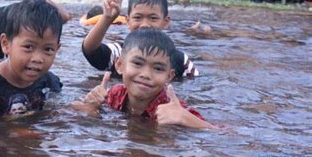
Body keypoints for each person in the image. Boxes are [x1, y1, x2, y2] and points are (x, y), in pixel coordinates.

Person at [74, 28, 214, 129]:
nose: (146, 74)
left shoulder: (174, 109)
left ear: (169, 77)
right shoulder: (114, 95)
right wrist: (89, 105)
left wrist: (184, 118)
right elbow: (70, 111)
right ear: (120, 65)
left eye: (158, 68)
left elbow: (222, 132)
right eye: (138, 63)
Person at [0, 0, 63, 120]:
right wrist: (12, 131)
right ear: (5, 44)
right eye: (28, 47)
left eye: (48, 49)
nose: (38, 59)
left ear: (57, 49)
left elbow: (55, 110)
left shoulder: (49, 81)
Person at [82, 0, 198, 80]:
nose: (144, 24)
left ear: (165, 22)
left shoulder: (180, 60)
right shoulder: (119, 52)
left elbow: (195, 88)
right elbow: (89, 50)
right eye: (137, 17)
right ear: (127, 21)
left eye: (153, 18)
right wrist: (107, 19)